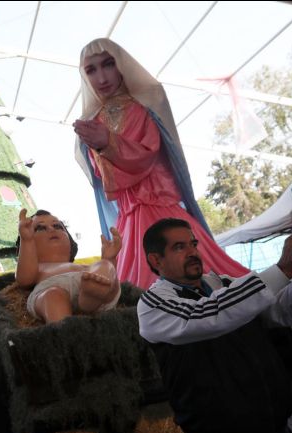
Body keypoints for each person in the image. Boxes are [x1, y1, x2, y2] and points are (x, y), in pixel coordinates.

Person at [137, 218, 292, 433]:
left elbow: (284, 311)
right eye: (179, 247)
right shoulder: (153, 304)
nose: (192, 252)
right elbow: (209, 314)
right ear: (156, 260)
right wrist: (282, 269)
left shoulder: (225, 284)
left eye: (193, 244)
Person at [73, 38, 248, 290]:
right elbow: (108, 184)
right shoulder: (93, 121)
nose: (101, 78)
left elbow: (144, 159)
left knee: (204, 284)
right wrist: (96, 145)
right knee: (131, 297)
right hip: (128, 222)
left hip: (160, 212)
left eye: (108, 65)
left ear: (121, 65)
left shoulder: (143, 108)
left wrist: (105, 143)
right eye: (91, 70)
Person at [15, 209, 121, 324]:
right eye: (40, 228)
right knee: (53, 297)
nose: (51, 229)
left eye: (58, 226)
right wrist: (27, 241)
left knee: (104, 265)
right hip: (52, 289)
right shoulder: (38, 267)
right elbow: (24, 280)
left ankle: (91, 297)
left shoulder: (83, 267)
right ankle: (66, 331)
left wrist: (109, 258)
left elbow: (110, 275)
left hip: (89, 285)